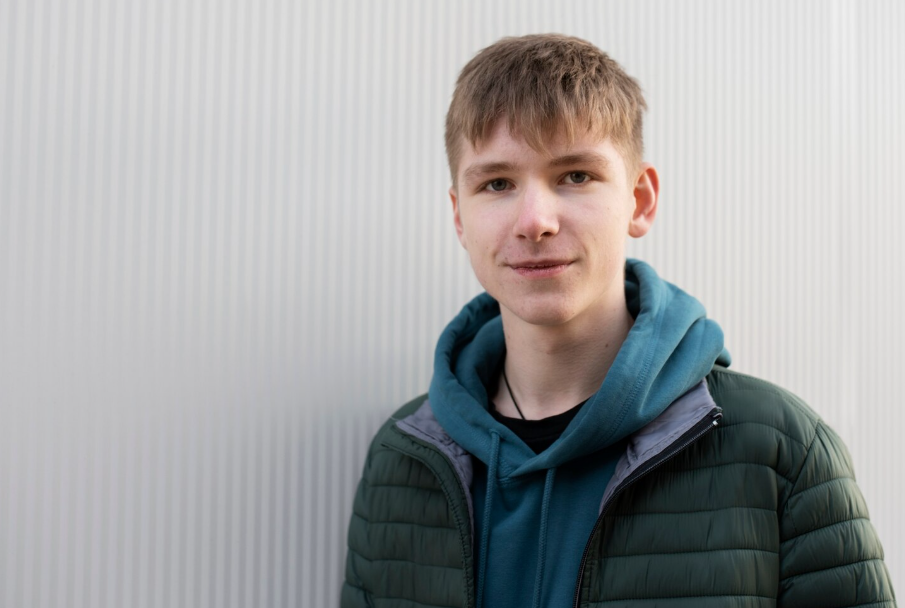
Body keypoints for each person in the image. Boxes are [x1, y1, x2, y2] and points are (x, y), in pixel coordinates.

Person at [340, 33, 897, 608]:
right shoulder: (402, 458)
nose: (535, 221)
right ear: (460, 216)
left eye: (575, 175)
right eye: (497, 183)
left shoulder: (781, 450)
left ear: (640, 199)